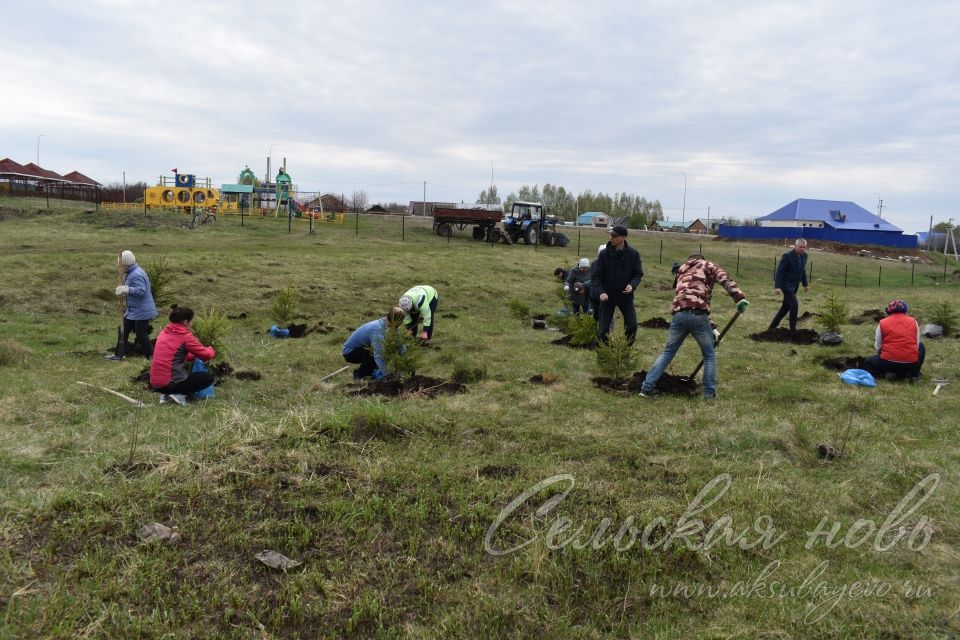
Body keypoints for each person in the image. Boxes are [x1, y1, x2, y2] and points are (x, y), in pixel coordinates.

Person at [640, 253, 749, 400]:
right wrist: (739, 298)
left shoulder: (682, 272)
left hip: (678, 316)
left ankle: (646, 389)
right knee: (709, 354)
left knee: (668, 353)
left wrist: (712, 328)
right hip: (697, 315)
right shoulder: (706, 265)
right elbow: (723, 278)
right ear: (701, 259)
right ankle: (709, 394)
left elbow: (690, 298)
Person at [149, 306, 216, 406]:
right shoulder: (185, 336)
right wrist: (211, 349)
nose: (191, 324)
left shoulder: (163, 333)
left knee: (182, 376)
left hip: (155, 383)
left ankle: (166, 394)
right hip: (172, 382)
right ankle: (178, 393)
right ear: (185, 322)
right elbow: (206, 355)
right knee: (209, 377)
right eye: (190, 321)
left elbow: (175, 356)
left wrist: (193, 356)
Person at [591, 226, 643, 344]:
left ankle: (625, 351)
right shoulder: (604, 254)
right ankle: (603, 356)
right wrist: (601, 292)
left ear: (623, 237)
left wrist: (632, 284)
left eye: (614, 236)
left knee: (632, 326)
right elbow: (596, 276)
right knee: (603, 330)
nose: (611, 238)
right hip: (607, 297)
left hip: (625, 296)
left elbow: (638, 274)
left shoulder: (633, 254)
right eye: (611, 235)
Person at [107, 250, 158, 360]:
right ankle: (119, 354)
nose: (119, 267)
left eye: (121, 265)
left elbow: (141, 291)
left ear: (126, 264)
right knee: (122, 330)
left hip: (142, 310)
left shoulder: (136, 274)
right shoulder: (131, 272)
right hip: (134, 310)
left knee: (141, 334)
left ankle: (151, 357)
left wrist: (127, 289)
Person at [864, 299, 925, 381]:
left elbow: (878, 346)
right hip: (910, 364)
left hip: (888, 362)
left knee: (869, 361)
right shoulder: (913, 322)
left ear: (888, 311)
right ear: (905, 310)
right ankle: (914, 375)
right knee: (921, 346)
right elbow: (916, 344)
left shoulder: (882, 322)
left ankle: (888, 372)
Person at [342, 308, 406, 380]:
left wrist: (405, 358)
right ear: (395, 321)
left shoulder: (387, 323)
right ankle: (360, 375)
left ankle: (371, 371)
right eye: (400, 322)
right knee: (372, 353)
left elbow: (399, 342)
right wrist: (387, 374)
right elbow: (378, 355)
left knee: (381, 351)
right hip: (350, 352)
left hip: (363, 348)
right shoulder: (376, 329)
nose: (401, 324)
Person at [768, 238, 809, 332]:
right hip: (785, 285)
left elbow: (803, 271)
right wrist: (777, 286)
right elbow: (780, 271)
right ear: (795, 246)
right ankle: (793, 329)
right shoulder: (787, 256)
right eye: (800, 247)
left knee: (786, 307)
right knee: (794, 304)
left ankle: (772, 326)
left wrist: (805, 284)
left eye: (804, 247)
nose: (802, 249)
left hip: (794, 285)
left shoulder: (805, 256)